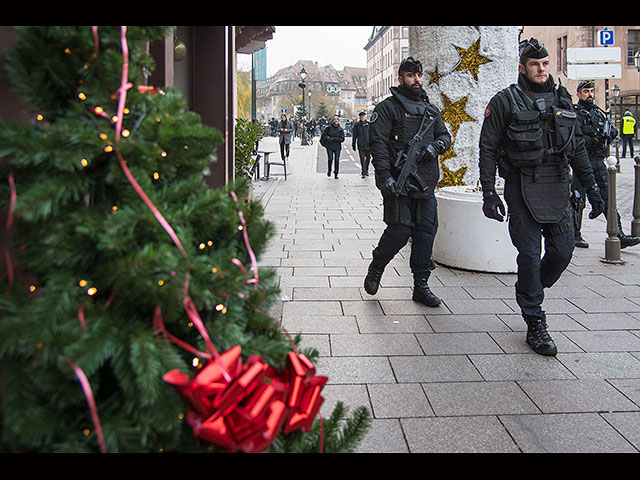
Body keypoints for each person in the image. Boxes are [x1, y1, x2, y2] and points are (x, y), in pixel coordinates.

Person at [479, 39, 605, 356]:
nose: (542, 69)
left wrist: (593, 189)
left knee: (562, 253)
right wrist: (489, 191)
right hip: (521, 187)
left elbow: (576, 149)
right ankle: (535, 321)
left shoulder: (562, 100)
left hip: (557, 186)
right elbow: (488, 147)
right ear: (522, 67)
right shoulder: (505, 101)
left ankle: (530, 288)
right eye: (535, 64)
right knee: (530, 256)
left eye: (546, 63)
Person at [364, 57, 451, 307]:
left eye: (419, 75)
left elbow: (444, 135)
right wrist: (385, 176)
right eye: (411, 76)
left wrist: (436, 147)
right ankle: (377, 266)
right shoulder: (387, 108)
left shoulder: (430, 110)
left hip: (425, 182)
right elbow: (377, 144)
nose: (417, 80)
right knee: (399, 232)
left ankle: (421, 285)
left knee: (425, 233)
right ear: (400, 78)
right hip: (399, 182)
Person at [571, 81, 640, 249]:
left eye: (591, 91)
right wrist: (592, 138)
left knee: (608, 198)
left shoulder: (598, 113)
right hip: (582, 160)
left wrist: (609, 134)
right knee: (578, 199)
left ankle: (619, 234)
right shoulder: (575, 113)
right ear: (579, 94)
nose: (589, 94)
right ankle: (575, 235)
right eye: (586, 91)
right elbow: (574, 139)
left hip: (598, 160)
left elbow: (608, 134)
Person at [352, 111, 372, 178]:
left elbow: (372, 134)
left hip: (368, 144)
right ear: (360, 117)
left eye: (363, 116)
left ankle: (366, 170)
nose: (362, 117)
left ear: (365, 117)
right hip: (361, 144)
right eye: (361, 116)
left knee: (368, 158)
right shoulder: (357, 125)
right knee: (362, 158)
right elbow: (354, 135)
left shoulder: (369, 124)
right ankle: (363, 172)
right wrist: (353, 144)